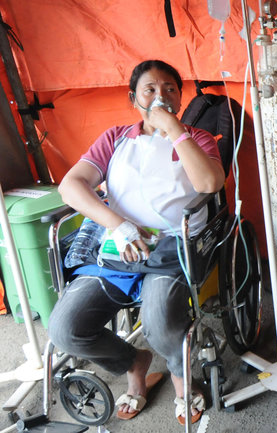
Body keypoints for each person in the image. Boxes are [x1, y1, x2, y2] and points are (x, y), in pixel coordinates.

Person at [48, 60, 226, 423]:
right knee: (66, 329)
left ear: (180, 98)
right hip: (118, 246)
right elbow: (70, 185)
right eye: (150, 89)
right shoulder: (114, 138)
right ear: (134, 98)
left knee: (159, 320)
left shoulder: (196, 138)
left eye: (170, 89)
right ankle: (134, 363)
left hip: (171, 246)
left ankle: (179, 374)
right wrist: (119, 226)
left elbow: (209, 184)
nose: (161, 95)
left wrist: (175, 131)